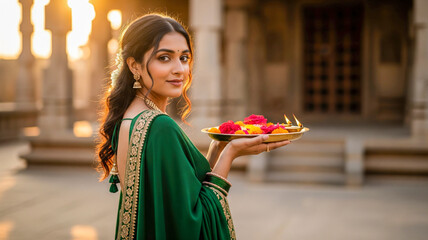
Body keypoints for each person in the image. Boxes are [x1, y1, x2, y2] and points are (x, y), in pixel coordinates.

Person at [97, 13, 291, 240]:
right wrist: (231, 152)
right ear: (135, 65)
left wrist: (217, 149)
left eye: (184, 58)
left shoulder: (130, 117)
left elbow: (177, 198)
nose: (180, 69)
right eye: (164, 58)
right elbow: (190, 222)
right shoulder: (160, 126)